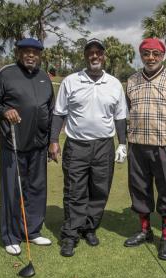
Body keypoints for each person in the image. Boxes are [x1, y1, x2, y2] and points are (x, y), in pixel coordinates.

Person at [48, 38, 128, 257]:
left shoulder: (114, 84)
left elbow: (120, 117)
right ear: (85, 56)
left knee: (99, 190)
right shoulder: (71, 81)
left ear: (104, 56)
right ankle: (70, 235)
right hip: (77, 146)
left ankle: (89, 228)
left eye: (98, 53)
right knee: (75, 191)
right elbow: (59, 113)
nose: (95, 56)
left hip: (104, 145)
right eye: (90, 52)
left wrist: (123, 143)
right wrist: (54, 140)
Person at [0, 38, 54, 256]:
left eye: (35, 52)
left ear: (40, 55)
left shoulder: (44, 77)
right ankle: (11, 236)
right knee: (13, 191)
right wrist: (4, 111)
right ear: (19, 53)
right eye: (26, 52)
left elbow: (50, 111)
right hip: (13, 144)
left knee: (36, 189)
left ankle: (31, 231)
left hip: (39, 145)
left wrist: (52, 141)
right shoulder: (6, 73)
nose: (31, 55)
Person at [123, 38, 166, 260]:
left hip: (164, 147)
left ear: (162, 55)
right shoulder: (131, 80)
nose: (151, 58)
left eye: (155, 54)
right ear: (140, 55)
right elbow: (127, 111)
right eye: (146, 53)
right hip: (137, 145)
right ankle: (145, 231)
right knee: (140, 189)